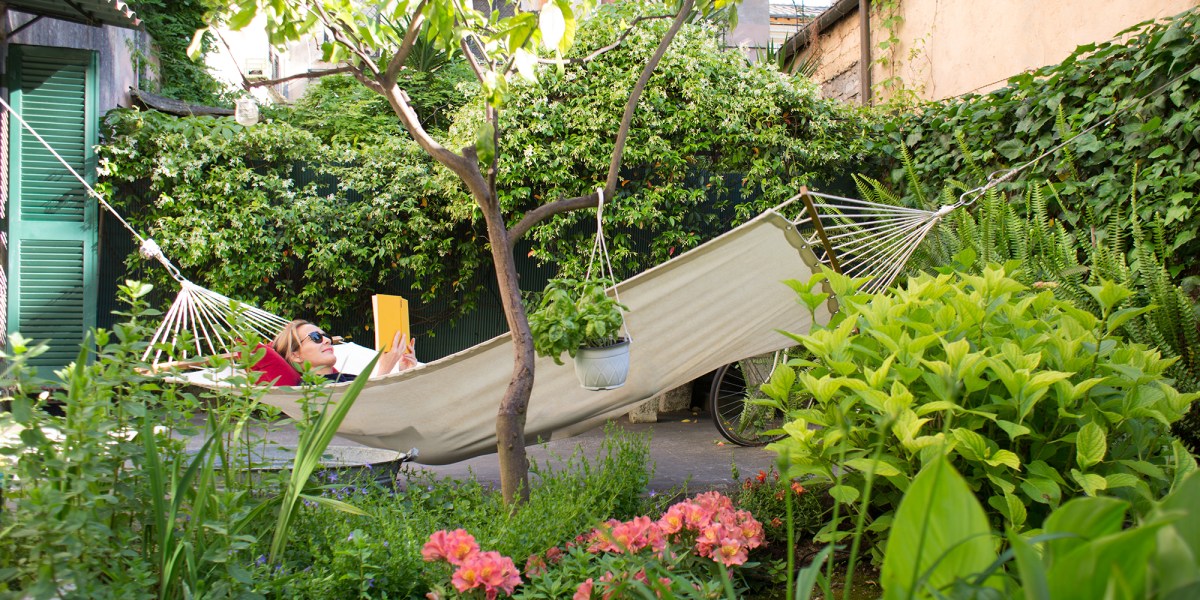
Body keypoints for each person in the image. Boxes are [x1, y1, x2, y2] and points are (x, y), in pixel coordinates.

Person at [270, 319, 418, 383]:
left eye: (326, 336)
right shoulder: (310, 391)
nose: (327, 340)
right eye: (316, 337)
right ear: (295, 355)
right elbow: (361, 410)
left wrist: (403, 371)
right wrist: (385, 368)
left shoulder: (344, 379)